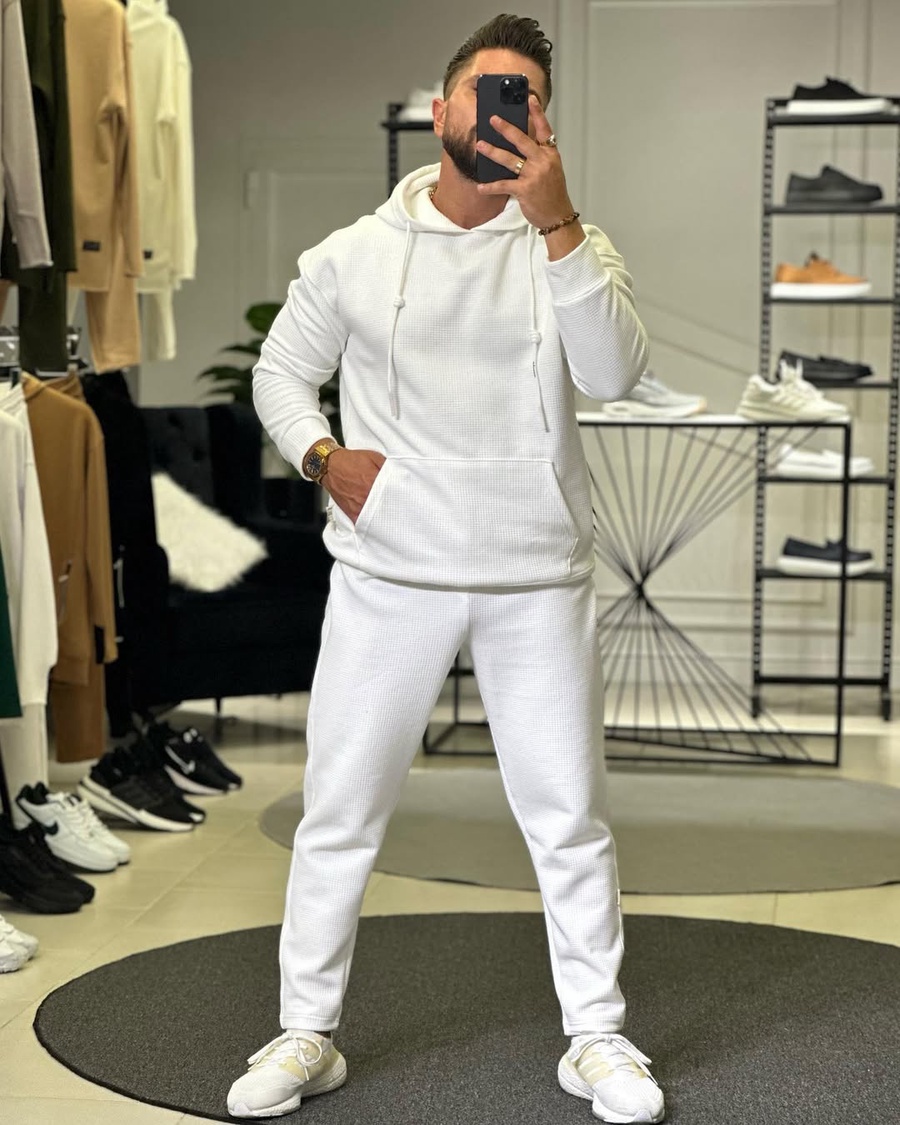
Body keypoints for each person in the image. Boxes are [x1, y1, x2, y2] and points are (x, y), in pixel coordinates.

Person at [227, 13, 665, 1124]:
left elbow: (614, 374)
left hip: (537, 574)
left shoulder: (575, 244)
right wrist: (324, 458)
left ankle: (597, 1037)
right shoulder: (354, 253)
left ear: (546, 123)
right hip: (391, 574)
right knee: (340, 810)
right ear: (442, 112)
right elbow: (280, 374)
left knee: (569, 820)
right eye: (488, 90)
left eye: (528, 96)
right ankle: (306, 1031)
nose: (508, 110)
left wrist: (557, 224)